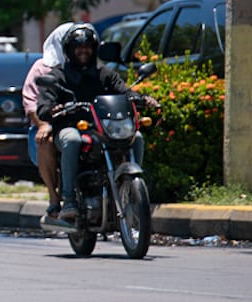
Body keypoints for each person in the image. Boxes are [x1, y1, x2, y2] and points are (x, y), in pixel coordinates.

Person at [36, 23, 157, 222]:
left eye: (88, 46)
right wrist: (52, 109)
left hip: (103, 129)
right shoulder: (58, 76)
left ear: (94, 49)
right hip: (72, 128)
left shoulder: (105, 74)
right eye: (78, 46)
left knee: (136, 138)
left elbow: (123, 91)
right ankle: (69, 200)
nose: (83, 51)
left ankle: (132, 187)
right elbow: (43, 106)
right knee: (72, 140)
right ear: (69, 50)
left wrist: (141, 99)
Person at [21, 22, 73, 219]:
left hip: (81, 123)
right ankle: (54, 198)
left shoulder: (88, 68)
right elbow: (31, 103)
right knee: (45, 141)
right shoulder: (43, 68)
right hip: (50, 125)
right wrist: (43, 123)